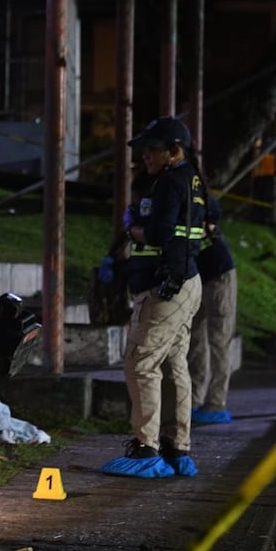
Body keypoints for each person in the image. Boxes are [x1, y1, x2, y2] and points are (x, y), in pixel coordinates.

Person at [102, 116, 204, 479]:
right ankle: (178, 449)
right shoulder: (194, 179)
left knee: (141, 362)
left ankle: (145, 448)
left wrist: (132, 228)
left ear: (173, 151)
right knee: (175, 365)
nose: (146, 156)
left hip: (165, 289)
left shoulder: (168, 183)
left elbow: (159, 233)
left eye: (153, 149)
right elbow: (207, 222)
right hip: (187, 283)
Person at [188, 192, 238, 424]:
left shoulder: (197, 202)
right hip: (198, 277)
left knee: (219, 340)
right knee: (196, 339)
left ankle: (216, 402)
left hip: (218, 276)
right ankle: (194, 400)